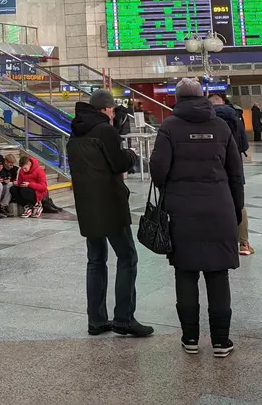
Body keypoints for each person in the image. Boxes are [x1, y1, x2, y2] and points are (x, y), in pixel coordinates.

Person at [150, 78, 243, 357]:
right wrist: (236, 209)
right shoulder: (221, 126)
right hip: (220, 207)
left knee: (186, 272)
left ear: (177, 99)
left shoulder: (169, 127)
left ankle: (190, 338)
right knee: (218, 273)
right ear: (202, 97)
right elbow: (236, 173)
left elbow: (157, 171)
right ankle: (220, 341)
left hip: (182, 210)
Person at [67, 89, 152, 338]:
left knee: (95, 260)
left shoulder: (75, 131)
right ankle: (124, 318)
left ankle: (96, 320)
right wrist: (131, 155)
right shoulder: (105, 130)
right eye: (112, 109)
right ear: (106, 109)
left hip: (87, 205)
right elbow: (118, 163)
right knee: (127, 257)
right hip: (110, 203)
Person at [210, 95, 253, 257]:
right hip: (234, 167)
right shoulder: (236, 116)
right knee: (239, 203)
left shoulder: (207, 118)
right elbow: (244, 144)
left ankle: (218, 240)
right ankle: (243, 243)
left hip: (214, 167)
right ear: (222, 102)